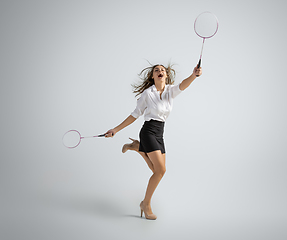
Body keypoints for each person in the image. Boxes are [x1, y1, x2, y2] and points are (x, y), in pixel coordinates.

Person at [105, 63, 202, 220]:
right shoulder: (147, 94)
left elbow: (183, 85)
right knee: (160, 171)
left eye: (162, 70)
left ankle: (137, 148)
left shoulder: (171, 90)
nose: (160, 71)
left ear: (166, 75)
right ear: (152, 76)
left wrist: (194, 75)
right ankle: (146, 204)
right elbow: (134, 114)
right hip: (148, 131)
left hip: (160, 133)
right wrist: (115, 130)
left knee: (157, 171)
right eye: (156, 70)